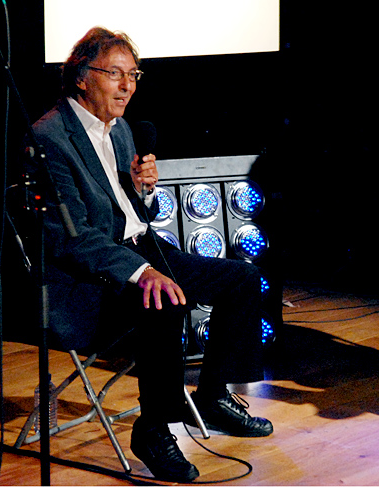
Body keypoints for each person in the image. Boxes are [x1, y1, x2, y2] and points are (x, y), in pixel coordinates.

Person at [24, 27, 272, 482]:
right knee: (163, 298)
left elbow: (134, 214)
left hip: (141, 250)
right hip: (88, 276)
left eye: (133, 75)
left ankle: (213, 396)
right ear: (81, 77)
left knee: (241, 278)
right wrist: (141, 273)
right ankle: (154, 430)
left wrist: (145, 191)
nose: (127, 86)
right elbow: (72, 237)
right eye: (115, 74)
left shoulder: (120, 130)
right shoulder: (49, 137)